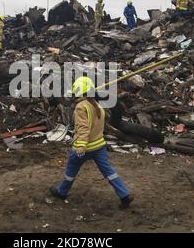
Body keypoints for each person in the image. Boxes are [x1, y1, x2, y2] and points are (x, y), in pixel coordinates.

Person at [50, 77, 134, 209]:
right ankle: (124, 194)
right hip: (99, 146)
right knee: (109, 171)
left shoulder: (81, 107)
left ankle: (61, 192)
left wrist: (81, 146)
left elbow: (84, 128)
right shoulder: (97, 105)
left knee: (70, 170)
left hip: (85, 148)